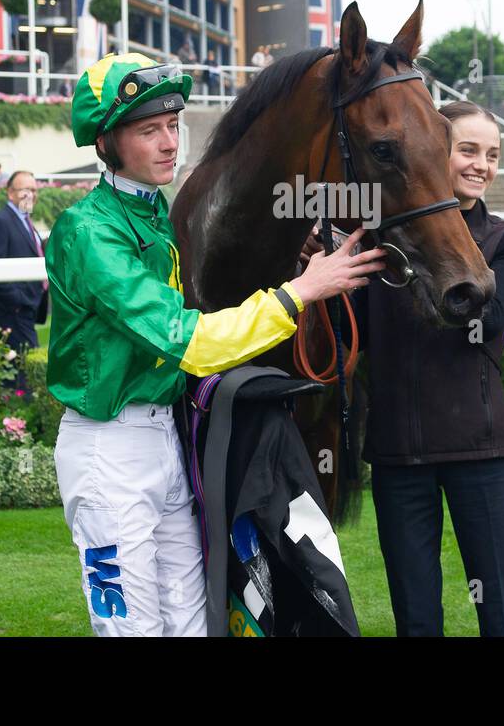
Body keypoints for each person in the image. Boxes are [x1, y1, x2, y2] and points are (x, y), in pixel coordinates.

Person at [46, 52, 384, 637]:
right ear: (106, 144)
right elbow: (190, 342)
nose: (168, 142)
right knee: (134, 630)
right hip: (108, 451)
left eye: (173, 126)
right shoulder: (88, 232)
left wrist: (294, 269)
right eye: (148, 130)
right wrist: (300, 293)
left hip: (165, 442)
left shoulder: (154, 217)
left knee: (196, 624)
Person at [354, 101, 504, 637]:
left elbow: (487, 318)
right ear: (434, 152)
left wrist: (415, 251)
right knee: (416, 618)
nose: (482, 164)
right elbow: (347, 331)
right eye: (468, 150)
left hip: (478, 448)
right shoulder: (373, 242)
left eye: (493, 154)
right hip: (397, 452)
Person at [0, 170, 47, 391]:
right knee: (24, 369)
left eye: (34, 190)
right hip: (13, 311)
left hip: (26, 308)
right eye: (25, 190)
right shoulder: (1, 221)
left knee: (18, 369)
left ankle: (16, 418)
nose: (31, 195)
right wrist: (19, 301)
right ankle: (20, 420)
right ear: (10, 193)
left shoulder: (24, 220)